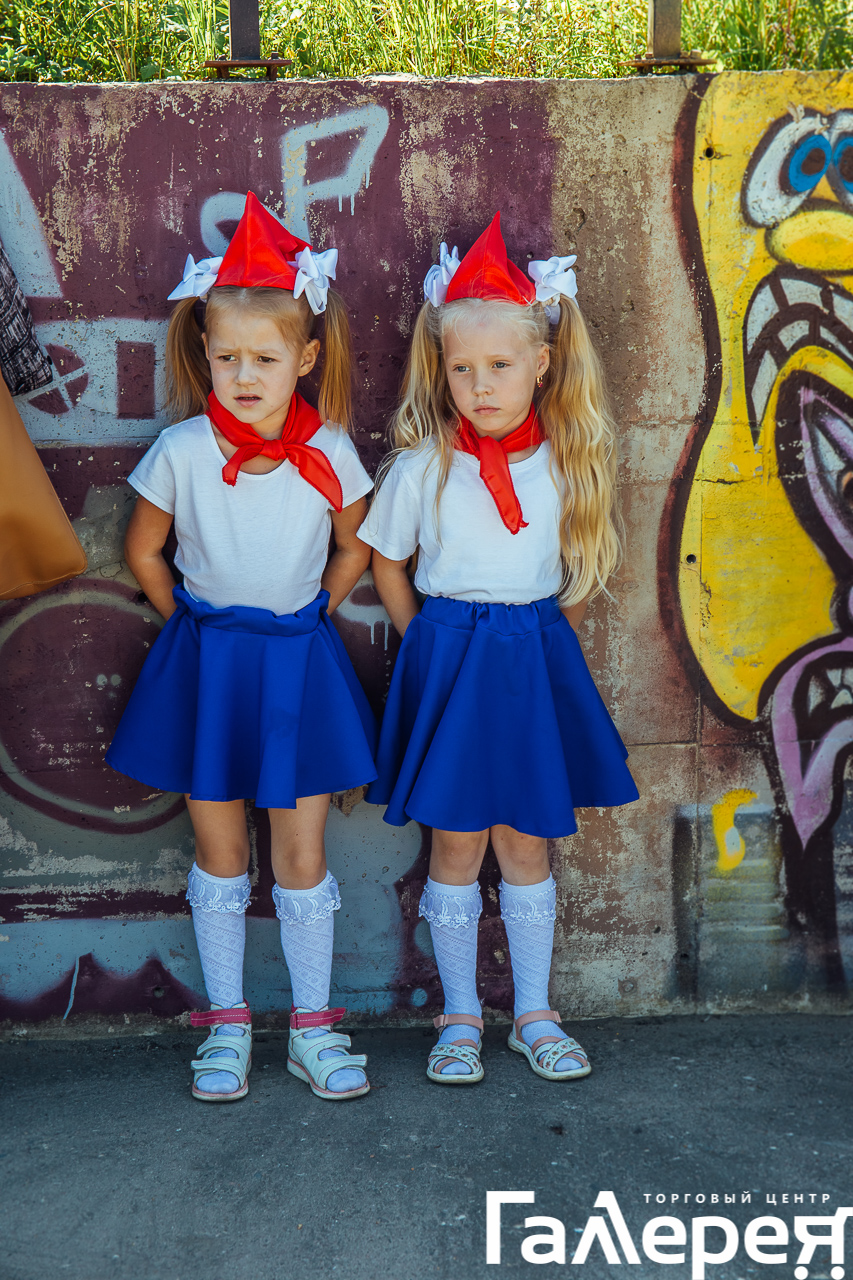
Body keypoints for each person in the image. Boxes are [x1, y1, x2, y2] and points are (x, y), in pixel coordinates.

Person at [107, 194, 376, 1103]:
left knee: (300, 854)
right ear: (204, 354)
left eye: (265, 358)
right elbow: (145, 549)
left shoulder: (330, 450)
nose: (244, 375)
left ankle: (312, 1030)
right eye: (227, 357)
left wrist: (312, 612)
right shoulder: (182, 450)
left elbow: (354, 546)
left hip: (297, 662)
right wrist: (189, 620)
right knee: (219, 849)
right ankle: (227, 1026)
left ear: (305, 358)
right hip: (209, 666)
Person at [359, 213, 639, 1084]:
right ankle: (458, 1018)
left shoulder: (568, 460)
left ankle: (533, 1014)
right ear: (440, 368)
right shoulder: (421, 467)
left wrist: (540, 636)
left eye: (500, 367)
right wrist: (424, 637)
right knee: (454, 845)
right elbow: (387, 562)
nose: (479, 386)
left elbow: (581, 568)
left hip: (531, 657)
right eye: (461, 369)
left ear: (541, 364)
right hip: (448, 657)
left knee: (525, 843)